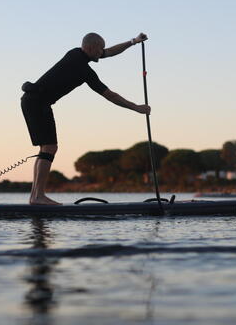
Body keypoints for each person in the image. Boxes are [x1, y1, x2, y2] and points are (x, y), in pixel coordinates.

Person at [21, 32, 150, 205]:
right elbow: (110, 95)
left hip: (34, 102)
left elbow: (110, 52)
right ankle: (38, 197)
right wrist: (136, 107)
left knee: (47, 148)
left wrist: (133, 41)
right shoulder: (81, 68)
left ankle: (35, 197)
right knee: (50, 147)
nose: (102, 53)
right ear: (90, 48)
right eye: (99, 50)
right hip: (37, 102)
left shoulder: (77, 53)